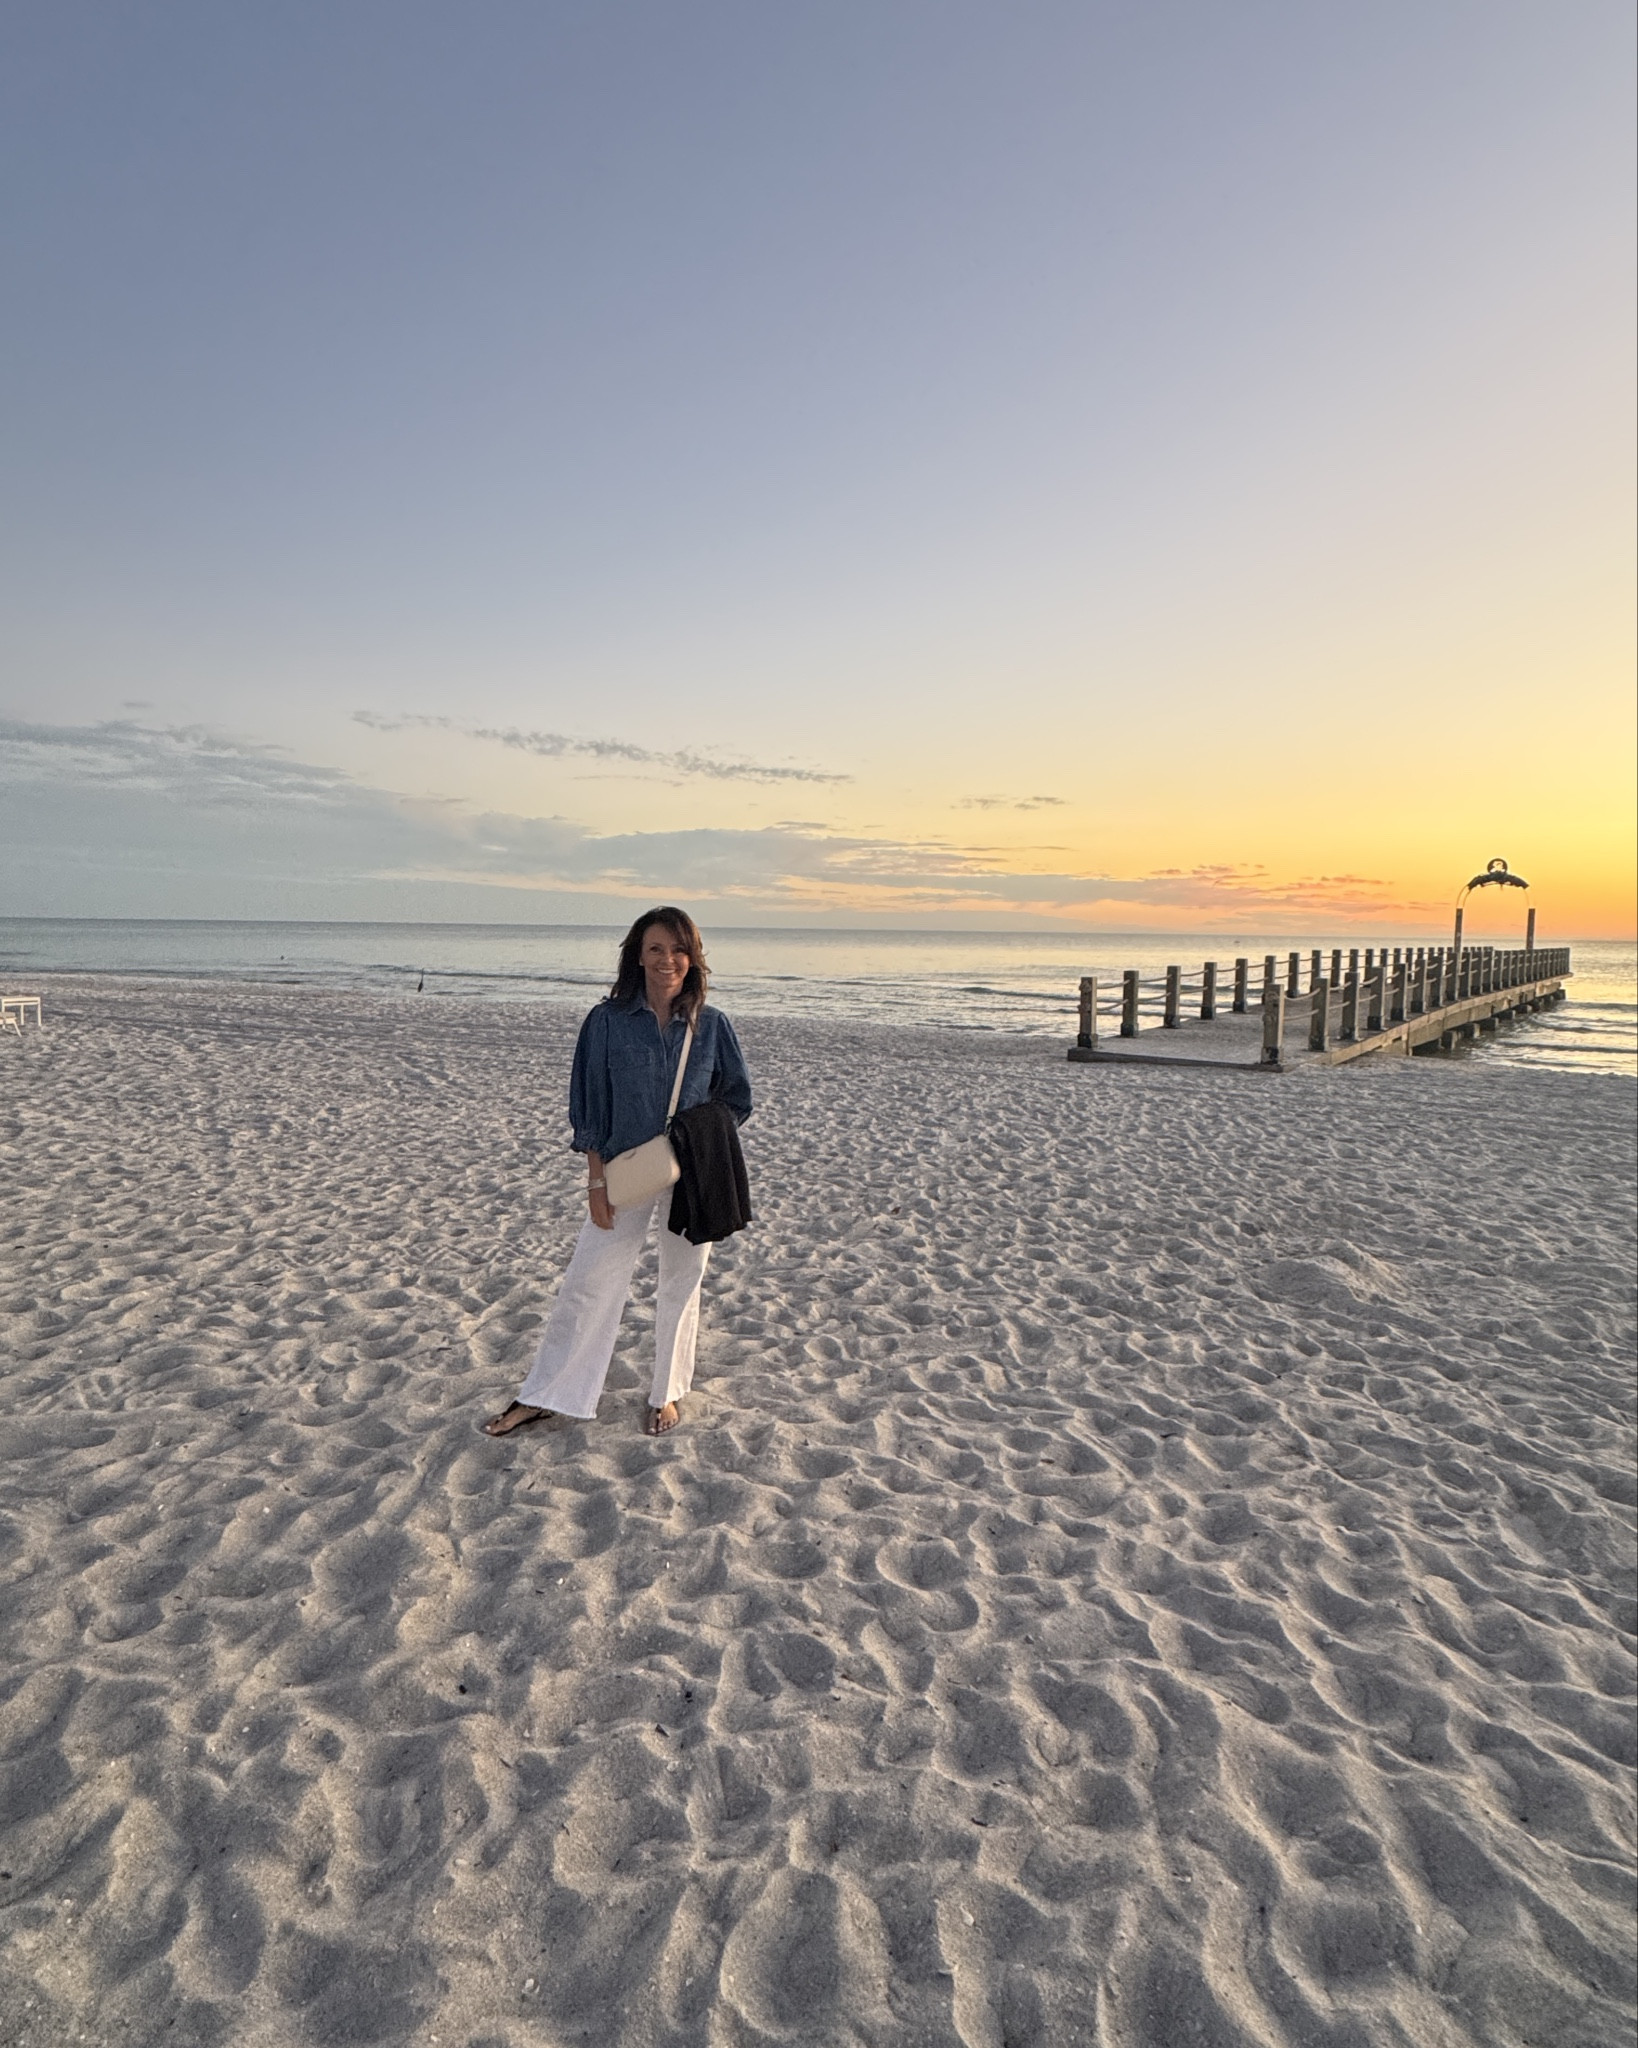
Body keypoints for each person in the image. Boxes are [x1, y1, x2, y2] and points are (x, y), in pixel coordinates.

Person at [484, 908, 752, 1438]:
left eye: (679, 950)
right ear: (637, 954)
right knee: (588, 1281)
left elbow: (737, 1098)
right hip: (624, 1171)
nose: (668, 960)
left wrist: (696, 1135)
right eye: (656, 949)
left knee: (682, 1280)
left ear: (693, 958)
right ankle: (546, 1395)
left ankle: (667, 1392)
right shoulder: (606, 1022)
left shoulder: (712, 1024)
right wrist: (596, 1179)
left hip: (692, 1174)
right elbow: (589, 1104)